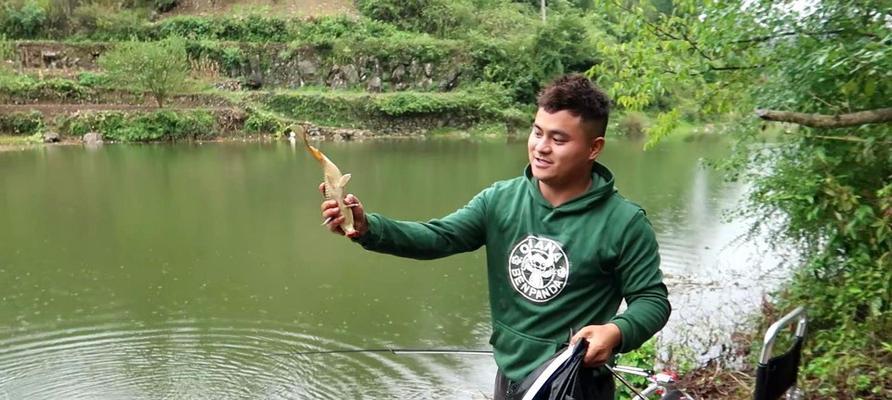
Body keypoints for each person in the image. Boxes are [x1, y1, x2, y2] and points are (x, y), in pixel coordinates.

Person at [319, 74, 671, 399]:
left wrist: (617, 331)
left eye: (558, 139)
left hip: (575, 381)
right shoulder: (500, 200)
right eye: (537, 132)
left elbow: (652, 300)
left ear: (594, 148)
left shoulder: (624, 222)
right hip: (510, 374)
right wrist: (368, 228)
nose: (540, 147)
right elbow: (437, 237)